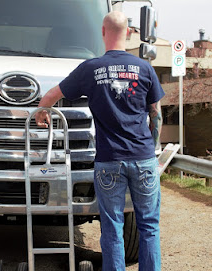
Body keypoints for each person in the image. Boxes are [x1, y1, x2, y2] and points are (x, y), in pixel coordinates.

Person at [35, 11, 164, 271]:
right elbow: (157, 114)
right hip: (143, 158)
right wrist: (151, 147)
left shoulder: (90, 69)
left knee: (112, 226)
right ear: (128, 33)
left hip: (109, 160)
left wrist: (41, 112)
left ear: (103, 32)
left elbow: (52, 94)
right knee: (149, 225)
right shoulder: (145, 68)